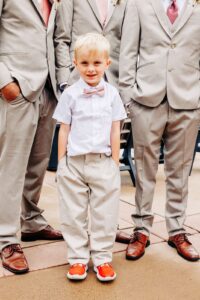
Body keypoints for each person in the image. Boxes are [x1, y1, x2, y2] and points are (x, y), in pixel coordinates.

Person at [119, 0, 200, 262]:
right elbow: (128, 51)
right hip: (146, 101)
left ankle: (177, 230)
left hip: (187, 102)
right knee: (144, 170)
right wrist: (128, 98)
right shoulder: (138, 4)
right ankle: (141, 230)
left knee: (180, 170)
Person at [0, 0, 68, 274]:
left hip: (48, 90)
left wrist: (62, 87)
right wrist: (4, 81)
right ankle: (6, 238)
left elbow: (56, 38)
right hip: (16, 89)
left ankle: (31, 221)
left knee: (38, 164)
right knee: (11, 167)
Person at [53, 33, 127, 281]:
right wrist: (62, 163)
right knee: (73, 214)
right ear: (75, 62)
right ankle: (77, 259)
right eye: (84, 63)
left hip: (103, 162)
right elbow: (64, 128)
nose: (91, 69)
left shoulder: (113, 94)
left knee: (104, 213)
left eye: (97, 63)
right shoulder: (70, 94)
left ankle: (103, 258)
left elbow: (116, 128)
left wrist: (115, 164)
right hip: (74, 163)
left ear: (107, 63)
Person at [61, 0, 134, 244]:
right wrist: (64, 82)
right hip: (77, 82)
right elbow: (62, 38)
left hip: (113, 83)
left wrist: (115, 162)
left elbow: (127, 44)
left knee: (107, 182)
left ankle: (107, 233)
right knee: (75, 197)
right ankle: (79, 249)